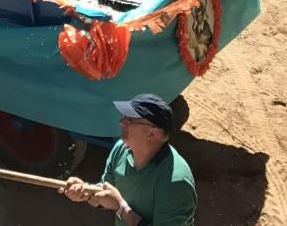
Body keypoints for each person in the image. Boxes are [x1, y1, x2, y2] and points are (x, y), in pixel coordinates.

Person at [57, 94, 196, 225]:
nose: (122, 122)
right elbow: (107, 193)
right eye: (124, 117)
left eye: (130, 120)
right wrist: (86, 191)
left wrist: (120, 207)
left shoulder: (175, 182)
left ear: (152, 133)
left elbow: (115, 202)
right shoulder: (121, 149)